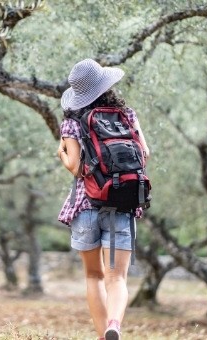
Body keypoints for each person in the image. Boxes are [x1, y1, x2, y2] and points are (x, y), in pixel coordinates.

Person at [57, 58, 150, 340]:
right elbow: (144, 154)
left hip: (86, 205)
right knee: (117, 277)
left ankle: (102, 336)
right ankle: (114, 325)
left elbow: (75, 166)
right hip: (121, 203)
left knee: (93, 276)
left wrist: (61, 152)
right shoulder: (127, 115)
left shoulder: (72, 123)